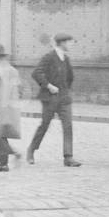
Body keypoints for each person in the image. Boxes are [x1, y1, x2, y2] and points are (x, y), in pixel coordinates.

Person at [27, 32, 81, 167]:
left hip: (64, 99)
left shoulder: (66, 59)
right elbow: (36, 73)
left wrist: (66, 91)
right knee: (44, 125)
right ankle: (31, 149)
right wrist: (49, 86)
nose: (71, 45)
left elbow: (70, 78)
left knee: (68, 126)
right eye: (69, 42)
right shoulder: (49, 57)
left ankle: (68, 157)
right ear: (62, 43)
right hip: (49, 98)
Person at [0, 45, 22, 172]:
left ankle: (12, 154)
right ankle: (4, 163)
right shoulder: (13, 70)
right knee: (0, 133)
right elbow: (19, 89)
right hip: (9, 106)